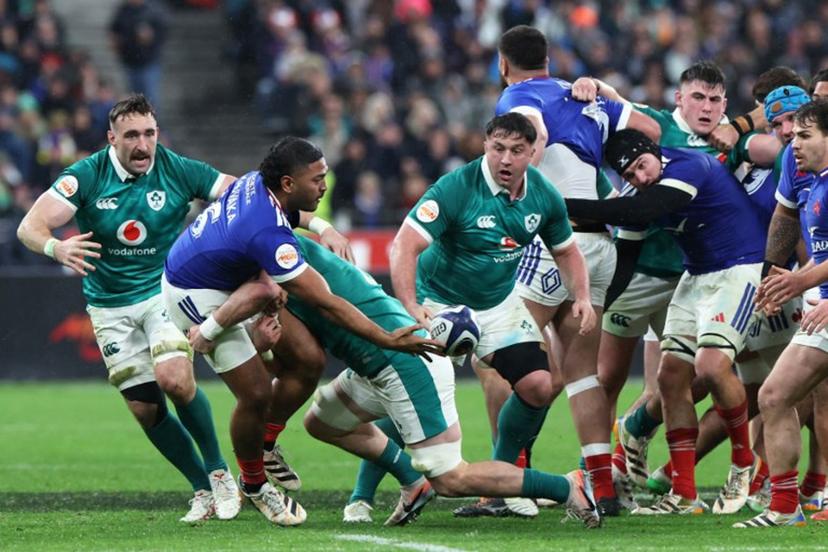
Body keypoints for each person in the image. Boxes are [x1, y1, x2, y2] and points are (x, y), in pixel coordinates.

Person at [160, 136, 440, 526]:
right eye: (318, 179)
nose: (325, 186)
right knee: (256, 392)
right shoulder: (267, 233)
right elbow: (326, 302)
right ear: (288, 184)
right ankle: (255, 483)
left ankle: (267, 442)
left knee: (308, 360)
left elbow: (284, 224)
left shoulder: (262, 182)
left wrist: (323, 226)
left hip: (229, 276)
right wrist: (387, 338)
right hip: (193, 293)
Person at [16, 94, 240, 523]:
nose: (143, 145)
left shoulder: (177, 168)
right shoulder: (86, 175)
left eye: (150, 134)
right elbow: (31, 225)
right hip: (109, 306)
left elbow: (240, 196)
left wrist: (307, 222)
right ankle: (201, 490)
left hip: (166, 292)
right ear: (111, 138)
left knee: (174, 378)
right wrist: (55, 245)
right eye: (133, 135)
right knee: (145, 408)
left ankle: (219, 474)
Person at [565, 128, 767, 515]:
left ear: (654, 152)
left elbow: (640, 212)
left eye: (642, 166)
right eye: (629, 176)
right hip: (695, 277)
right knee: (670, 377)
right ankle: (685, 495)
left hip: (739, 268)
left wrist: (561, 205)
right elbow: (626, 257)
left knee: (710, 366)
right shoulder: (640, 194)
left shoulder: (688, 165)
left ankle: (743, 464)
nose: (640, 178)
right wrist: (597, 304)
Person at [734, 99, 828, 528]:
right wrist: (783, 279)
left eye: (805, 135)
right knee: (773, 395)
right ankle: (785, 508)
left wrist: (800, 282)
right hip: (822, 307)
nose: (794, 144)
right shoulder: (810, 181)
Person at [109, 0, 168, 107]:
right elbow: (114, 29)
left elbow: (163, 32)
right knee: (133, 98)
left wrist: (151, 37)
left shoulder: (153, 10)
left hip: (148, 62)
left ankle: (151, 122)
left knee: (150, 97)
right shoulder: (123, 10)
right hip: (130, 61)